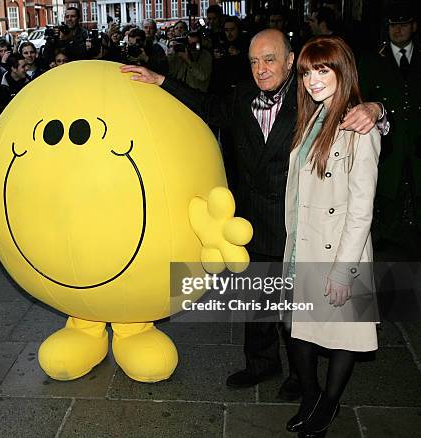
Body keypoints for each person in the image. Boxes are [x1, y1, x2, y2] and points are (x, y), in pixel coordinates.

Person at [120, 28, 385, 401]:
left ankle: (299, 375)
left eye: (270, 59)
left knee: (295, 308)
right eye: (254, 61)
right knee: (257, 300)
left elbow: (357, 105)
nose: (261, 69)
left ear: (291, 61)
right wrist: (161, 80)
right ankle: (261, 363)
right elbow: (208, 106)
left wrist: (376, 110)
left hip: (294, 225)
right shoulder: (244, 94)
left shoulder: (309, 94)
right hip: (251, 220)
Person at [284, 35, 380, 438]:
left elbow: (361, 209)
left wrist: (343, 272)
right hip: (303, 244)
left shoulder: (360, 127)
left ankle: (328, 402)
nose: (312, 79)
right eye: (307, 71)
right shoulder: (313, 118)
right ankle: (311, 396)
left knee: (342, 334)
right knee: (298, 328)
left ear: (343, 70)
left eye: (323, 69)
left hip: (338, 248)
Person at [358, 5, 420, 259]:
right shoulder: (373, 60)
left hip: (418, 149)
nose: (398, 30)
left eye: (404, 24)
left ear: (414, 26)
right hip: (388, 151)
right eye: (393, 25)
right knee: (386, 209)